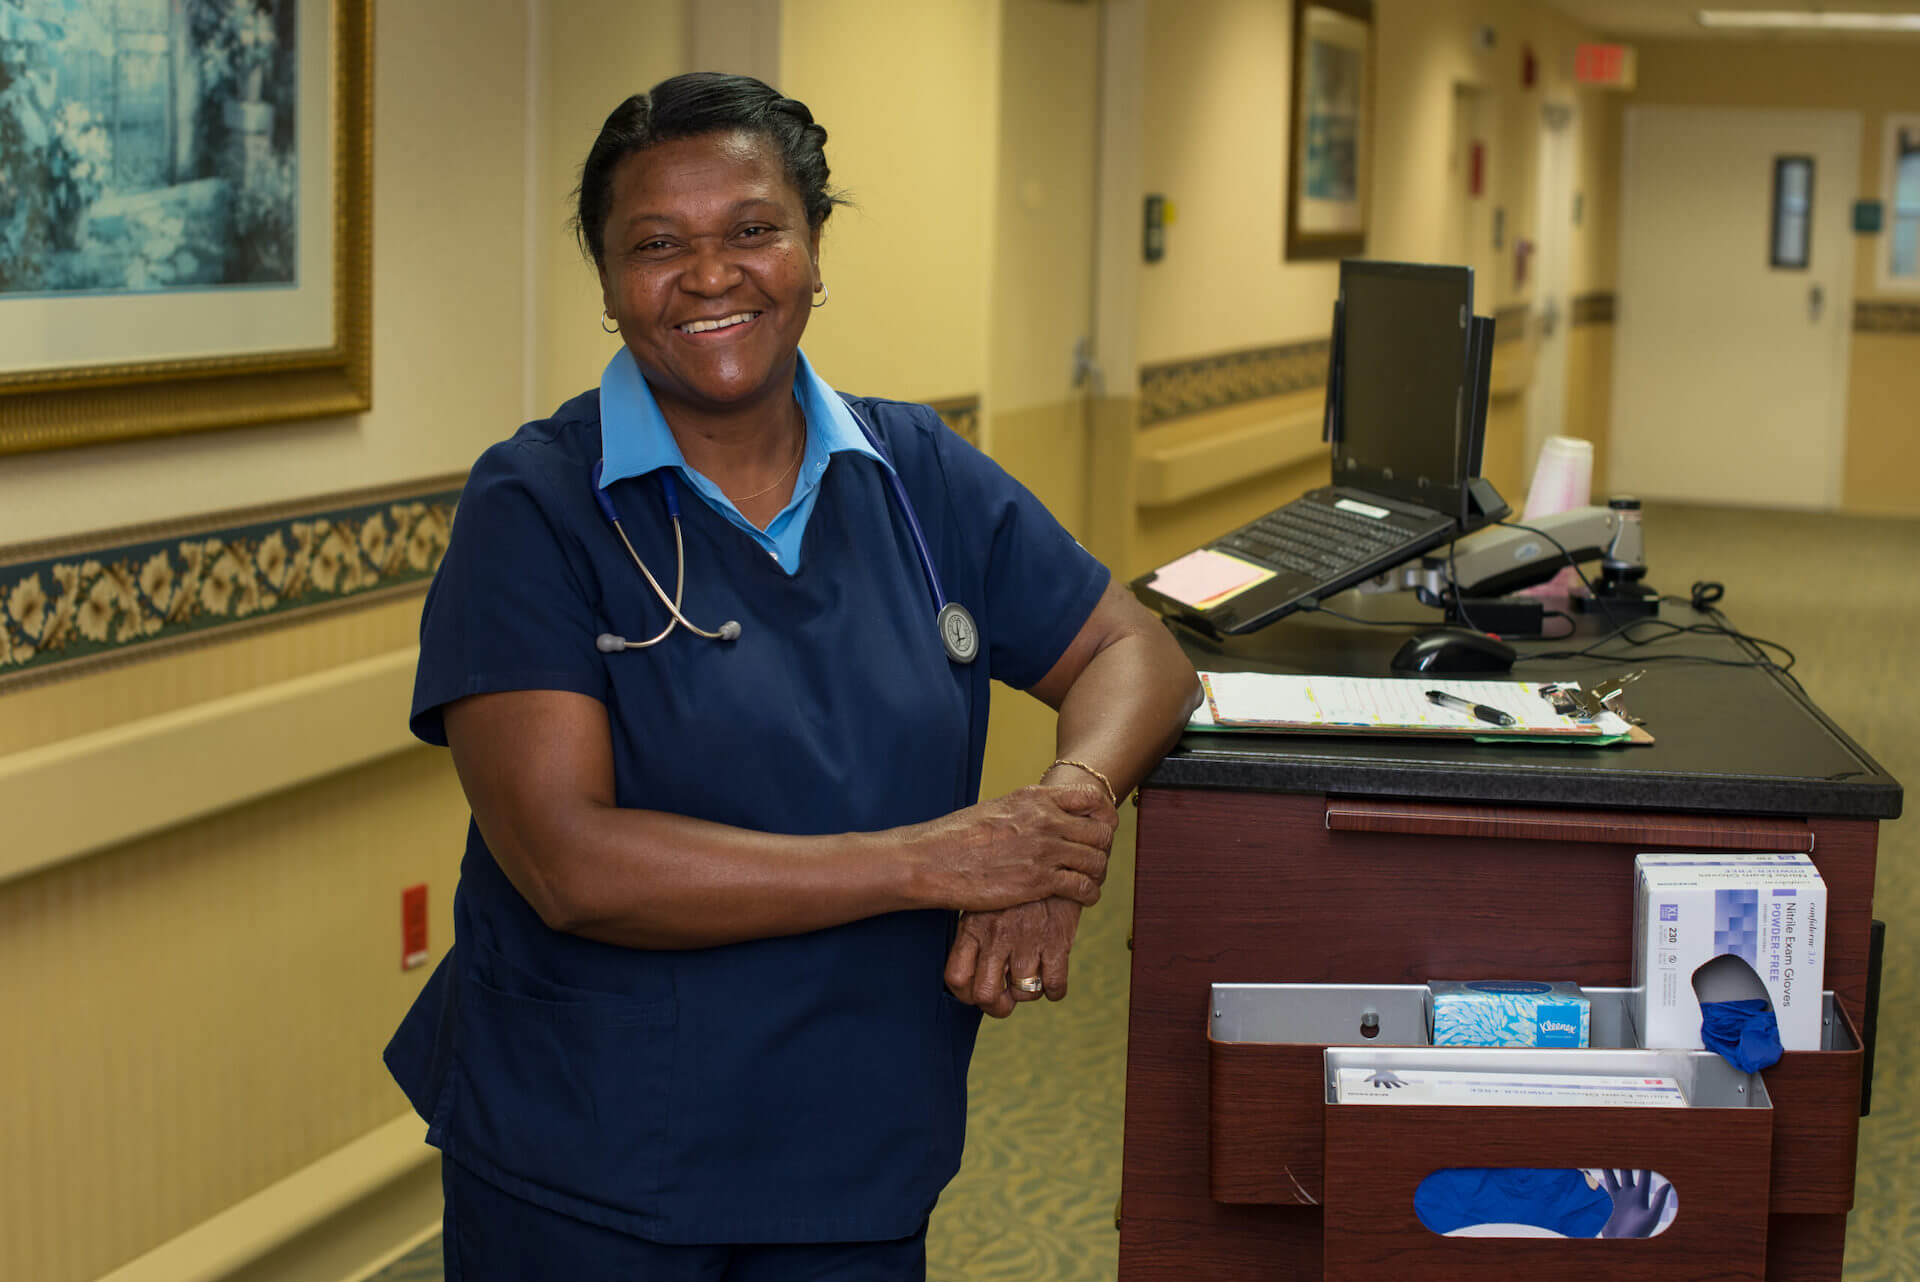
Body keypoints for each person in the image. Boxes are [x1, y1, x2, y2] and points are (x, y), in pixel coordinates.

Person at [384, 71, 1200, 1280]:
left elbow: (1138, 652)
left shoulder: (916, 473)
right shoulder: (538, 505)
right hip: (593, 1159)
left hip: (859, 1137)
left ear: (814, 247)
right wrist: (940, 860)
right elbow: (570, 862)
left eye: (754, 229)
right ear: (608, 287)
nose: (711, 275)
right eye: (657, 244)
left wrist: (1064, 809)